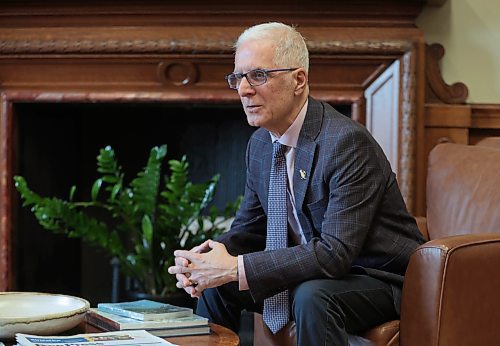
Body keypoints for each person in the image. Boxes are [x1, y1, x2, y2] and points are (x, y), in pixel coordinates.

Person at [168, 22, 425, 345]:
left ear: (298, 80)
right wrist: (205, 262)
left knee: (311, 295)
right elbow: (249, 230)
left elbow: (335, 253)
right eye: (238, 78)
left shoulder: (346, 143)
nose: (245, 90)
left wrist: (236, 268)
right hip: (313, 274)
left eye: (258, 75)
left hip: (377, 277)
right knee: (220, 284)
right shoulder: (260, 144)